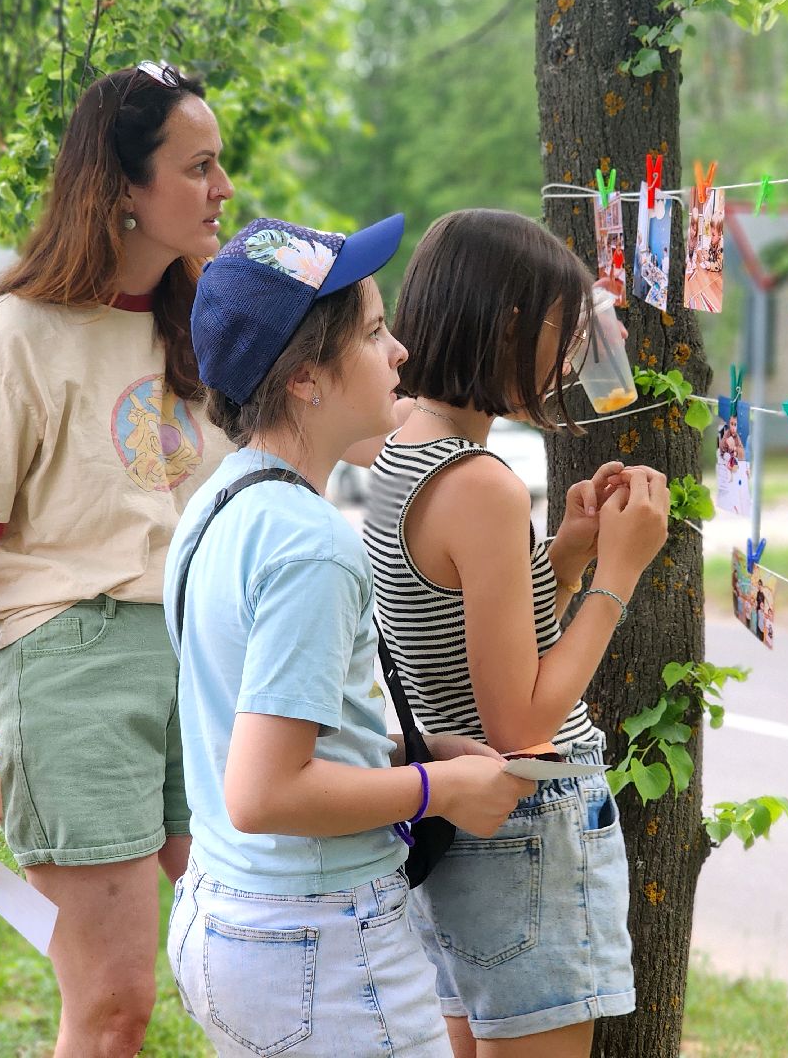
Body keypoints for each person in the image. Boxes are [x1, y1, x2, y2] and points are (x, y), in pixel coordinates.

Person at [0, 62, 242, 1054]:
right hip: (74, 668)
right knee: (112, 1006)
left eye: (221, 165)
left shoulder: (209, 324)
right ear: (122, 191)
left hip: (206, 664)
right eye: (197, 167)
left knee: (249, 955)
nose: (223, 188)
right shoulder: (15, 337)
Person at [164, 214, 533, 1056]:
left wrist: (415, 748)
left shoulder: (219, 505)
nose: (400, 350)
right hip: (319, 944)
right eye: (372, 331)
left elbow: (245, 724)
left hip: (227, 916)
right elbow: (267, 793)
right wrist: (437, 793)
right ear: (305, 379)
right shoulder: (311, 545)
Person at [365, 208, 669, 1056]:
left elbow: (463, 636)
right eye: (560, 334)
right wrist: (618, 572)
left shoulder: (404, 449)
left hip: (461, 828)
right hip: (526, 820)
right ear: (507, 328)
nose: (570, 360)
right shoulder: (479, 484)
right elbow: (522, 724)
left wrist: (563, 558)